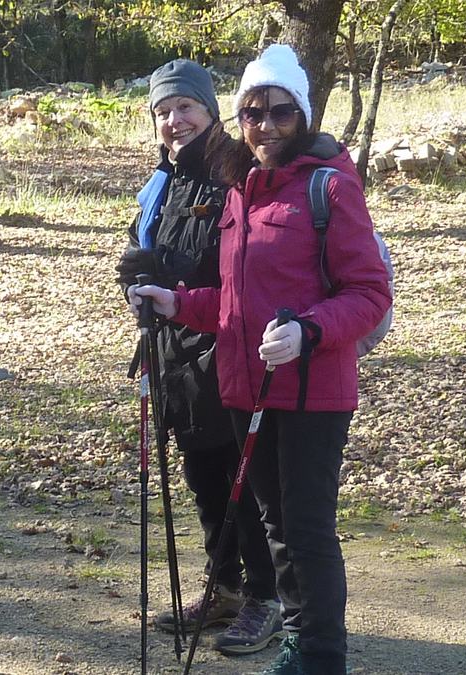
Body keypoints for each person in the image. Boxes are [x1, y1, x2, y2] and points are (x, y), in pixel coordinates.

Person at [130, 44, 392, 675]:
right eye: (253, 114)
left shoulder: (328, 187)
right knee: (277, 531)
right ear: (239, 121)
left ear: (299, 114)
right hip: (249, 388)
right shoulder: (242, 191)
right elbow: (237, 301)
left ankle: (320, 656)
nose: (265, 125)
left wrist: (308, 329)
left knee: (306, 531)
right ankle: (299, 646)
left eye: (278, 112)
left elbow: (368, 294)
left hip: (312, 391)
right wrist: (178, 301)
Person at [115, 58, 281, 656]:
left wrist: (171, 274)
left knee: (245, 476)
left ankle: (268, 597)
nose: (173, 120)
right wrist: (137, 273)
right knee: (204, 476)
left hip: (228, 348)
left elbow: (243, 265)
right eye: (162, 111)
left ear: (212, 111)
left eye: (184, 107)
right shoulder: (165, 179)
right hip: (174, 354)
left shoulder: (236, 170)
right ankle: (227, 586)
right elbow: (151, 247)